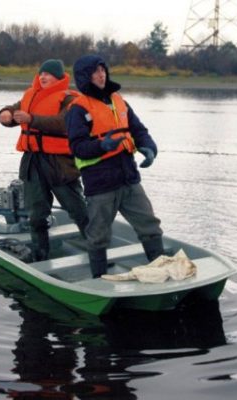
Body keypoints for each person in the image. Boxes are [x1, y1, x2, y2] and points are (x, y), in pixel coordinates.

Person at [65, 54, 165, 278]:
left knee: (150, 226)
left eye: (102, 70)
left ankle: (161, 273)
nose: (101, 75)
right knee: (99, 235)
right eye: (95, 72)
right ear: (84, 77)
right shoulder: (77, 109)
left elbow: (139, 131)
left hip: (129, 179)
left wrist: (149, 147)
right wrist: (103, 145)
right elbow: (78, 147)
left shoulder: (120, 101)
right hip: (100, 184)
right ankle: (99, 280)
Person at [0, 59, 88, 261]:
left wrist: (32, 119)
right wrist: (4, 114)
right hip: (32, 162)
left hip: (60, 164)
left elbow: (64, 123)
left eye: (48, 74)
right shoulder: (30, 95)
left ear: (59, 77)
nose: (43, 77)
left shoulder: (71, 99)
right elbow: (14, 110)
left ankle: (98, 249)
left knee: (78, 209)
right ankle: (40, 254)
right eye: (41, 74)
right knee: (36, 214)